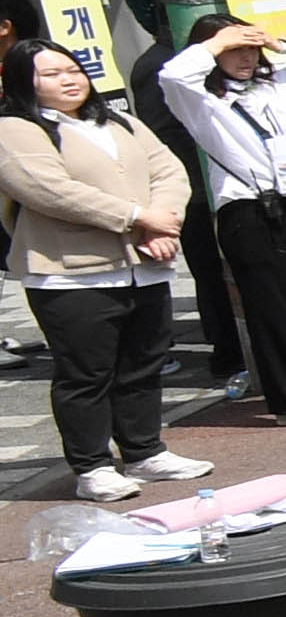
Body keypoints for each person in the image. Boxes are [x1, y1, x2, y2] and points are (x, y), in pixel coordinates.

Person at [3, 38, 207, 500]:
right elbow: (48, 190)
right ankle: (92, 465)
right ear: (23, 82)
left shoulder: (117, 120)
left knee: (143, 362)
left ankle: (144, 450)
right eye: (51, 74)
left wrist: (164, 219)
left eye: (72, 69)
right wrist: (137, 218)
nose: (69, 79)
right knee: (86, 371)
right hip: (70, 270)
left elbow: (168, 170)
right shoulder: (16, 129)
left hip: (144, 262)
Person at [148, 14, 286, 427]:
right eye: (232, 50)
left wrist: (283, 44)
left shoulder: (283, 82)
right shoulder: (201, 99)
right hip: (247, 206)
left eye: (249, 48)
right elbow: (173, 76)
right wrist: (214, 44)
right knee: (270, 307)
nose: (243, 57)